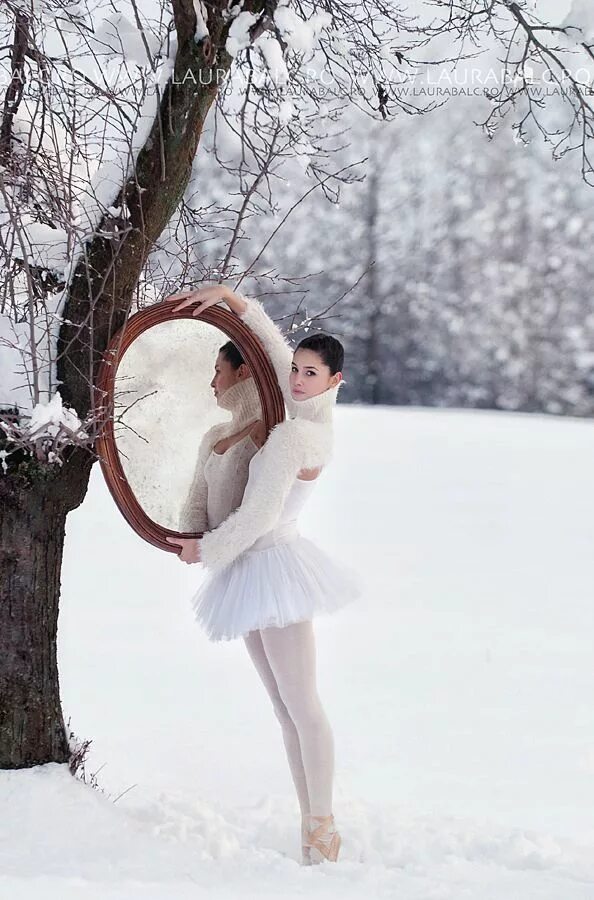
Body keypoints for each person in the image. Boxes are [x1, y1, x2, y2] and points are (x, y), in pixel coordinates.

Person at [165, 284, 362, 865]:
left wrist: (208, 551)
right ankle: (312, 829)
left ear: (335, 382)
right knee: (285, 710)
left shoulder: (298, 434)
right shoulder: (290, 410)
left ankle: (323, 831)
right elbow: (272, 350)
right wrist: (233, 300)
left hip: (274, 565)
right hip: (251, 567)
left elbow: (259, 516)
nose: (296, 379)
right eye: (296, 369)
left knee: (303, 706)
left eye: (310, 374)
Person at [177, 340, 264, 534]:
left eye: (218, 371)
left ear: (241, 372)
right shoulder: (215, 434)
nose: (212, 382)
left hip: (248, 548)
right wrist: (193, 541)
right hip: (211, 551)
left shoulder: (270, 429)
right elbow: (196, 501)